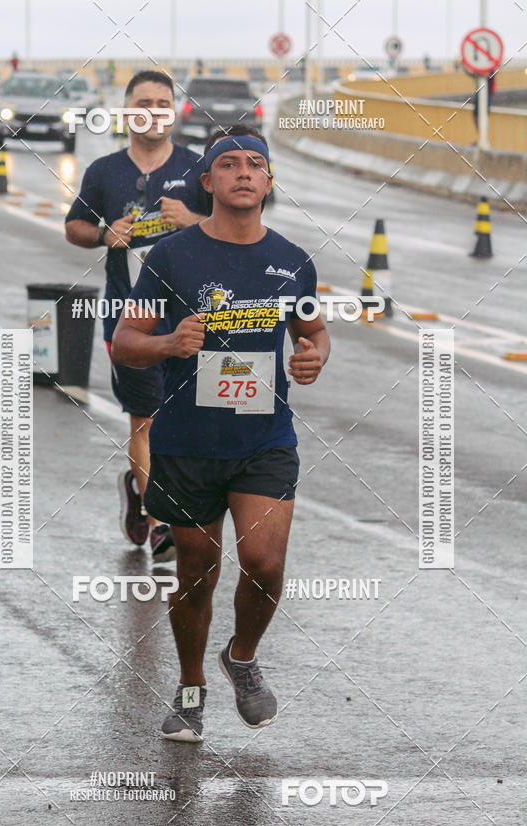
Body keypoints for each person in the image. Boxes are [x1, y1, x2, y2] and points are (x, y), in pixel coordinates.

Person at [111, 126, 330, 741]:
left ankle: (241, 657)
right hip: (186, 443)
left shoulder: (293, 261)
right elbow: (126, 343)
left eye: (254, 164)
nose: (242, 172)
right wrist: (167, 343)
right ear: (206, 181)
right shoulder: (173, 256)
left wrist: (314, 356)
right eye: (227, 164)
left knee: (264, 563)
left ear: (267, 182)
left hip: (263, 441)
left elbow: (312, 333)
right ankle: (190, 689)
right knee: (197, 569)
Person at [65, 70, 208, 560]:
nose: (153, 110)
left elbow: (239, 225)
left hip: (193, 319)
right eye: (143, 102)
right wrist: (105, 235)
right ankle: (161, 521)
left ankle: (139, 485)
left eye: (163, 103)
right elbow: (74, 227)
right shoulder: (105, 171)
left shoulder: (198, 170)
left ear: (174, 112)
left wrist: (194, 221)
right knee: (145, 420)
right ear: (127, 113)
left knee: (187, 421)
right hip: (130, 315)